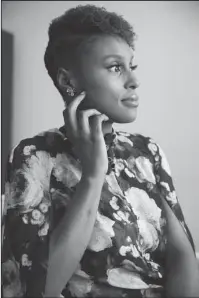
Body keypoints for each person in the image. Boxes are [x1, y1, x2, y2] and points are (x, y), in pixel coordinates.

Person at [2, 4, 199, 298]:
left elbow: (184, 259)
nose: (134, 80)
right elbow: (37, 289)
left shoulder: (147, 152)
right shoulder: (35, 154)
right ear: (68, 81)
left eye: (131, 66)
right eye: (115, 67)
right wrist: (94, 175)